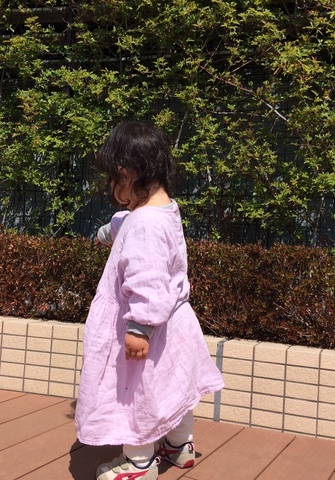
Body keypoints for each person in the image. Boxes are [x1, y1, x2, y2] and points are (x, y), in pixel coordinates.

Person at [75, 121, 225, 480]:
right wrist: (106, 232)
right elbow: (125, 223)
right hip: (173, 324)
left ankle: (140, 463)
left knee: (136, 394)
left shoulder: (145, 225)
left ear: (127, 174)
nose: (114, 190)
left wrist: (139, 328)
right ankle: (179, 445)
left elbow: (148, 280)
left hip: (146, 327)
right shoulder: (164, 210)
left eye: (114, 180)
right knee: (173, 390)